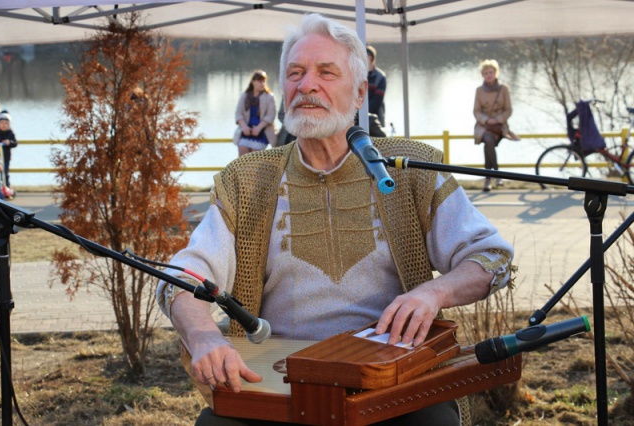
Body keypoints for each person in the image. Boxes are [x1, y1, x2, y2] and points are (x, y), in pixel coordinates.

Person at [157, 13, 514, 426]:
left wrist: (433, 294)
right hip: (278, 384)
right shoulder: (247, 179)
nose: (307, 85)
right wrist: (202, 335)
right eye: (295, 73)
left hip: (391, 382)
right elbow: (185, 274)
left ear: (360, 92)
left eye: (326, 72)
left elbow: (491, 257)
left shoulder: (409, 167)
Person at [473, 59, 519, 192]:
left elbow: (508, 109)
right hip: (484, 126)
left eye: (491, 72)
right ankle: (495, 175)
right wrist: (486, 120)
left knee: (489, 142)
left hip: (499, 125)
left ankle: (489, 179)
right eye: (486, 72)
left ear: (496, 73)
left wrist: (497, 119)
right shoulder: (479, 90)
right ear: (483, 74)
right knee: (488, 139)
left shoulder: (503, 89)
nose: (489, 75)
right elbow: (476, 111)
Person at [233, 70, 277, 157]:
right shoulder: (245, 96)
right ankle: (243, 171)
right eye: (259, 81)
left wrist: (258, 128)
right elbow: (238, 113)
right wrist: (244, 127)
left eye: (264, 81)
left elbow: (271, 116)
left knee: (255, 156)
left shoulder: (269, 97)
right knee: (243, 153)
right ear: (253, 82)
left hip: (262, 131)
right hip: (247, 131)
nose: (262, 84)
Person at [0, 110, 17, 192]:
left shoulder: (10, 132)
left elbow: (15, 143)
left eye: (6, 123)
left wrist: (9, 142)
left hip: (5, 157)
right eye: (2, 123)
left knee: (5, 173)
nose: (4, 125)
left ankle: (6, 187)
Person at [366, 45, 387, 130]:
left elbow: (377, 102)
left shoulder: (380, 77)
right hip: (359, 119)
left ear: (370, 58)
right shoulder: (357, 76)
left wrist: (362, 114)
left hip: (377, 121)